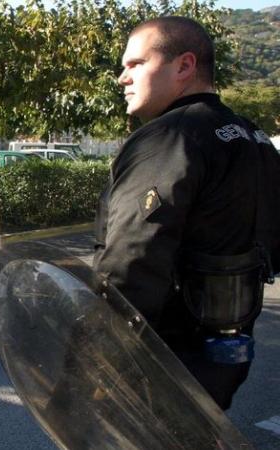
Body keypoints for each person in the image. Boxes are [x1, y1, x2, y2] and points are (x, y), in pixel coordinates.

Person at [93, 17, 280, 411]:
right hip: (227, 351)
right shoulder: (253, 136)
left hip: (160, 359)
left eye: (136, 64)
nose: (122, 78)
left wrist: (99, 353)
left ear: (184, 66)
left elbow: (132, 260)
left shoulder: (171, 136)